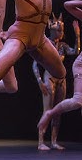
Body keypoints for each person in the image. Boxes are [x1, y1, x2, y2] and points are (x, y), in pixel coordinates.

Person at [32, 13, 79, 150]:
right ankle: (41, 142)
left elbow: (76, 51)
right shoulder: (45, 45)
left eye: (62, 30)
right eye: (58, 30)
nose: (61, 33)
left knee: (58, 111)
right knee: (47, 109)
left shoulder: (63, 46)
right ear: (52, 30)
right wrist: (40, 81)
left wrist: (77, 35)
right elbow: (35, 64)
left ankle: (53, 141)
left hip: (61, 80)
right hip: (49, 78)